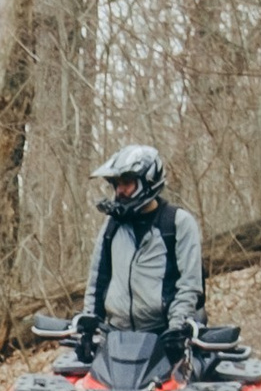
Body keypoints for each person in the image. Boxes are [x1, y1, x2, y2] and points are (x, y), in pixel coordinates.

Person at [75, 142, 205, 363]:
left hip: (165, 336)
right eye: (116, 184)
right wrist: (89, 322)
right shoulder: (112, 226)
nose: (120, 190)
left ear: (149, 181)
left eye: (127, 183)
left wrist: (176, 328)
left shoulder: (177, 223)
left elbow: (190, 284)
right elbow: (98, 279)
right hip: (116, 337)